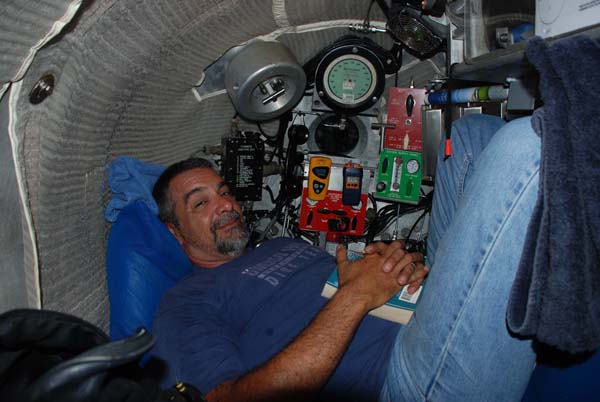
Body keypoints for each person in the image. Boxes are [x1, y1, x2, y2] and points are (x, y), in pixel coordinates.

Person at [151, 114, 540, 402]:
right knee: (523, 149)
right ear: (174, 230)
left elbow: (356, 280)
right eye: (201, 202)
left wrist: (392, 265)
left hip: (419, 310)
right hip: (401, 379)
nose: (225, 205)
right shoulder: (186, 303)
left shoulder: (280, 245)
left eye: (224, 191)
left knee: (473, 137)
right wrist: (356, 297)